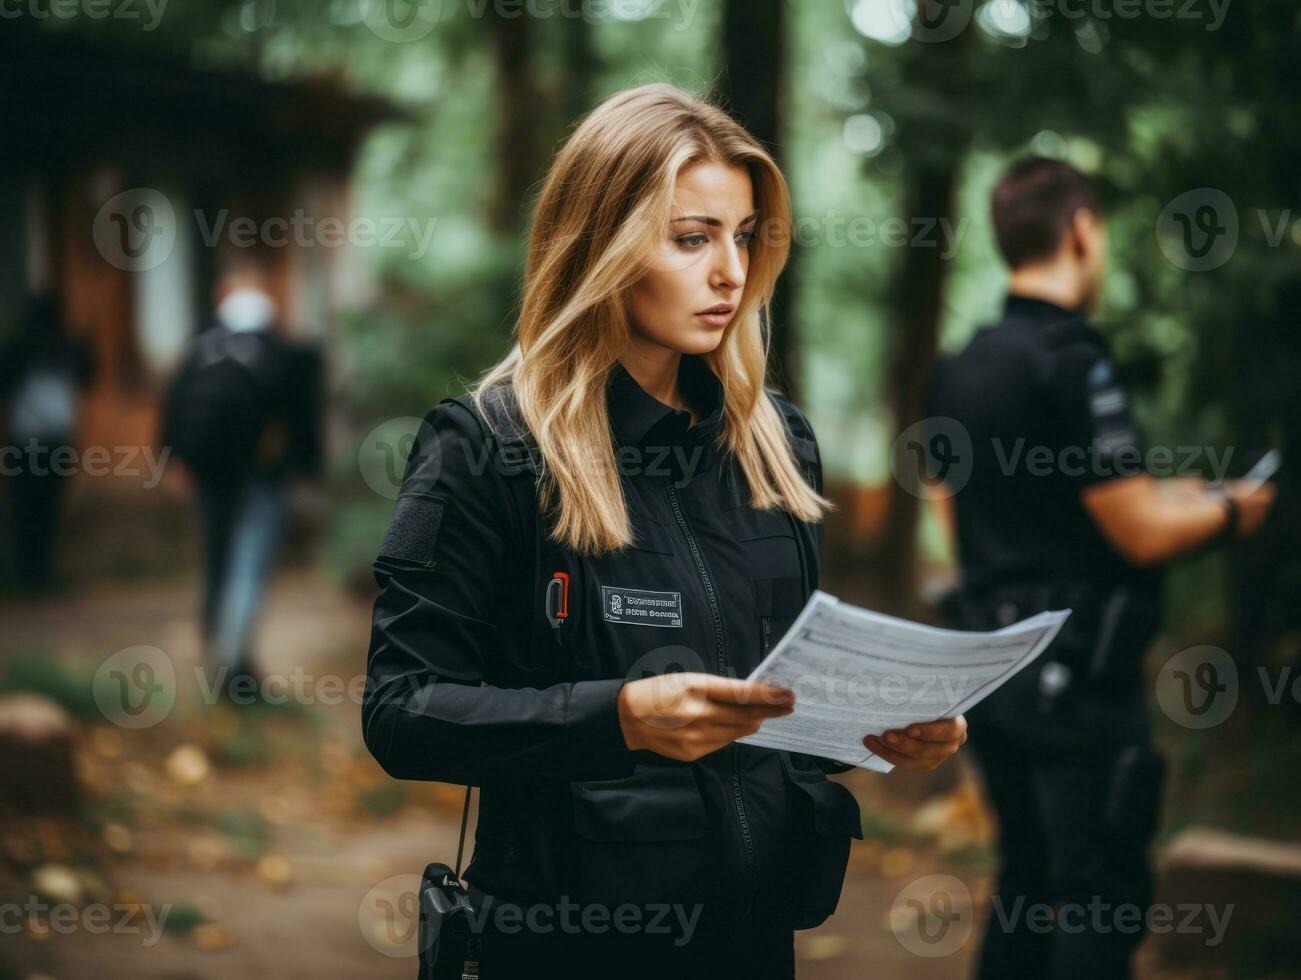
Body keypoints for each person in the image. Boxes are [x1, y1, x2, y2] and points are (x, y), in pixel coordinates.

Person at [362, 84, 968, 978]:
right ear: (598, 243)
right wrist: (618, 719)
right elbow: (401, 712)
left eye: (742, 234)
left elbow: (775, 717)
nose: (730, 270)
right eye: (691, 237)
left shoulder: (777, 446)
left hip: (751, 945)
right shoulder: (485, 447)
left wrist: (877, 730)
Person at [923, 157, 1278, 980]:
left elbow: (958, 510)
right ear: (1081, 230)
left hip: (988, 667)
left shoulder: (960, 365)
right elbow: (1139, 533)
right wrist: (1231, 510)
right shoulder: (1073, 360)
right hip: (1079, 677)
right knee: (1098, 890)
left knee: (1025, 877)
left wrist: (1163, 494)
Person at [161, 264, 323, 702]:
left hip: (210, 473)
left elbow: (173, 405)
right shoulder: (283, 351)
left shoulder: (202, 346)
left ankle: (224, 659)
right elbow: (303, 420)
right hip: (261, 476)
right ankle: (233, 670)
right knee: (247, 567)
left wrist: (175, 460)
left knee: (217, 561)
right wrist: (304, 470)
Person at [0, 293, 95, 594]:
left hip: (46, 441)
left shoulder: (63, 348)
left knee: (41, 511)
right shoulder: (23, 351)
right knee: (30, 511)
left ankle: (38, 573)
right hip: (31, 442)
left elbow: (87, 375)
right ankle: (30, 574)